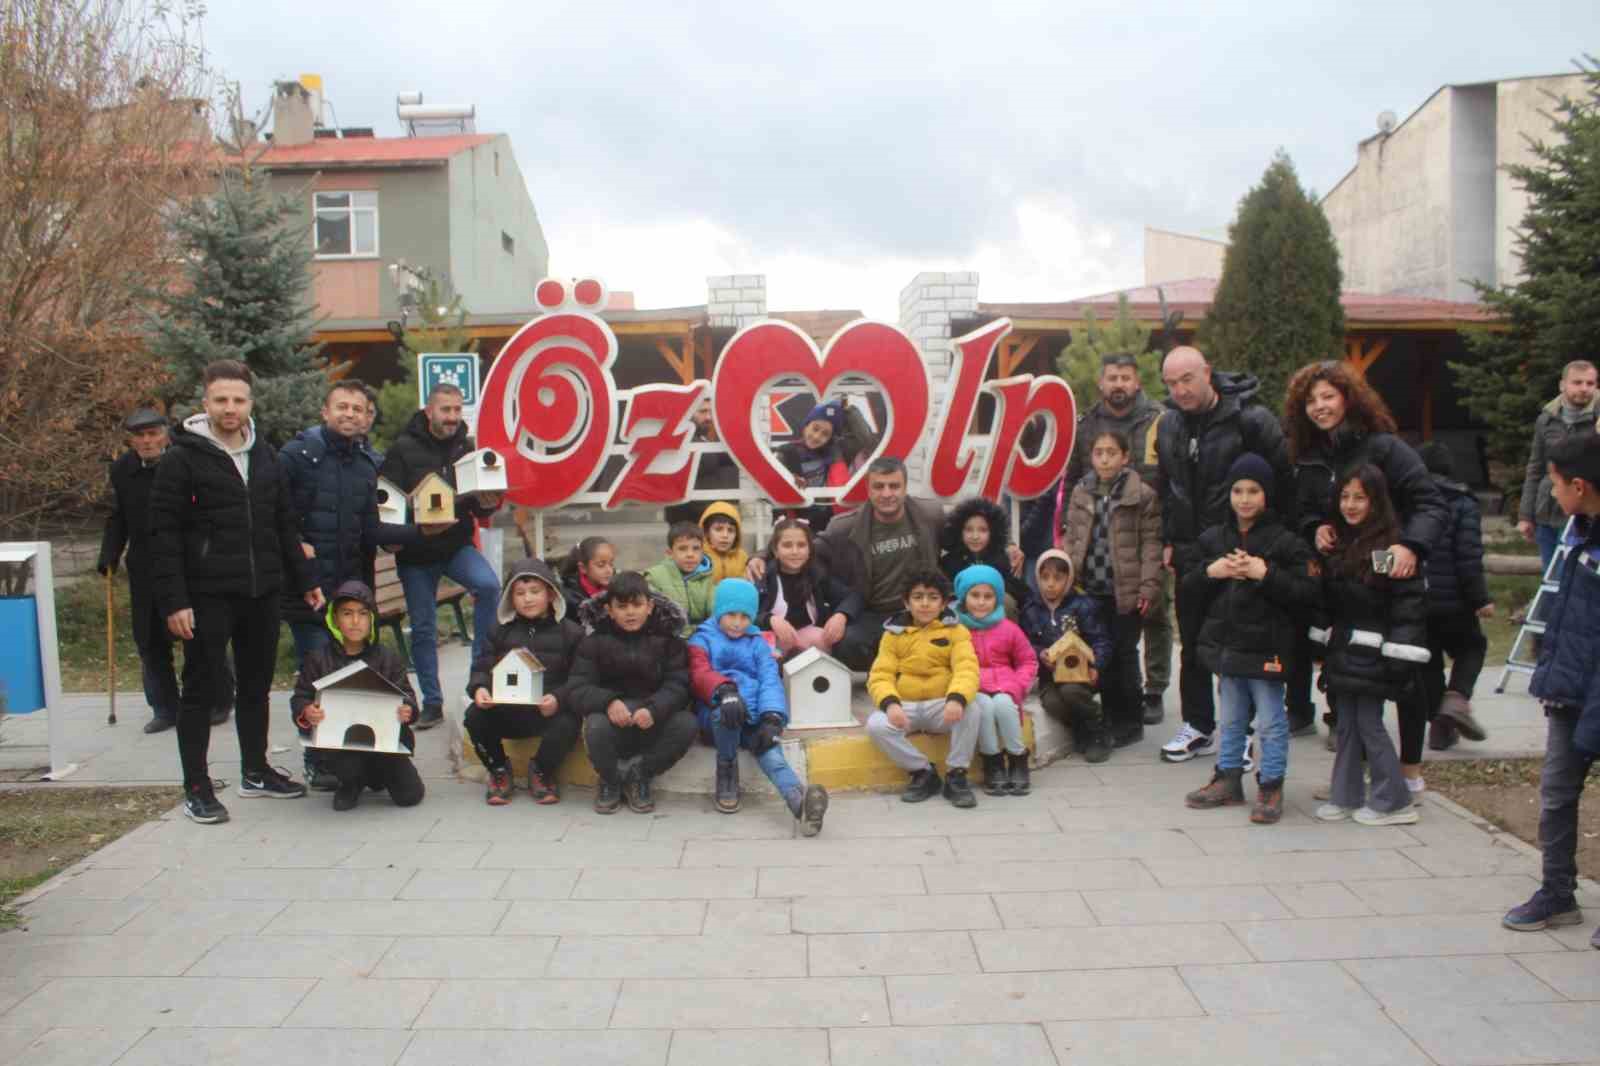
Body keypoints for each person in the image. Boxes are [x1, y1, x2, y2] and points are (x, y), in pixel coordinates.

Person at [148, 360, 322, 825]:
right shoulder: (182, 458)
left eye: (238, 400)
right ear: (205, 402)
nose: (230, 408)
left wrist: (305, 580)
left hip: (261, 590)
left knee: (256, 685)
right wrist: (174, 601)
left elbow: (282, 522)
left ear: (250, 403)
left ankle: (256, 770)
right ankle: (197, 787)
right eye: (221, 400)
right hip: (206, 594)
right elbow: (162, 535)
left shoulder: (264, 453)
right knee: (201, 690)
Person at [1285, 361, 1447, 778]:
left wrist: (1410, 546)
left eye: (1328, 396)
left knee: (1404, 672)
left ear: (1349, 398)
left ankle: (1410, 770)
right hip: (1342, 576)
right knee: (1343, 672)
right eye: (1311, 401)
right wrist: (1314, 527)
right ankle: (1351, 773)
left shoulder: (1385, 448)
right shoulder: (1309, 457)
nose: (1319, 407)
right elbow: (1304, 510)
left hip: (1391, 570)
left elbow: (1430, 503)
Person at [1156, 346, 1293, 763]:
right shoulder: (1169, 424)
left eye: (1187, 379)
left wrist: (1267, 542)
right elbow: (1166, 485)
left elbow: (1282, 482)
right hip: (1190, 551)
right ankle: (1198, 725)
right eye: (1171, 383)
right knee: (1193, 640)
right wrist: (1169, 538)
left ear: (1207, 373)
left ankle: (1242, 732)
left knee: (1241, 641)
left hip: (1241, 547)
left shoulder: (1250, 419)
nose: (1180, 390)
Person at [1180, 455, 1320, 824]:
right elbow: (1187, 584)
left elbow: (1307, 592)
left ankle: (1271, 784)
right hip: (1227, 647)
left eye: (1253, 491)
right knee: (1230, 720)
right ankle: (1227, 779)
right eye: (1238, 490)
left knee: (1271, 722)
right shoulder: (1214, 538)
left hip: (1267, 649)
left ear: (1266, 495)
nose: (1244, 499)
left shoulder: (1286, 542)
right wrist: (1211, 571)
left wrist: (1265, 573)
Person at [1502, 434, 1600, 947]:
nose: (1551, 493)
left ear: (1579, 486)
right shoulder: (1578, 533)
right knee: (1557, 793)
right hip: (1571, 689)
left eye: (1555, 484)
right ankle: (1557, 892)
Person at [377, 383, 505, 729]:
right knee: (423, 628)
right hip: (417, 554)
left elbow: (478, 504)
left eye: (457, 410)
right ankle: (432, 703)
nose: (452, 417)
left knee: (489, 585)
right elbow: (386, 503)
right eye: (445, 410)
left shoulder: (466, 448)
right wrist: (406, 530)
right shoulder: (403, 449)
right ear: (429, 411)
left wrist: (488, 502)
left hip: (456, 547)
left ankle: (478, 678)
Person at [1311, 466, 1427, 827]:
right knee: (1346, 722)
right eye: (1345, 497)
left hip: (1376, 652)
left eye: (1359, 497)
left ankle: (1394, 800)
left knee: (1368, 724)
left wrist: (1397, 656)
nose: (1350, 505)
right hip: (1344, 649)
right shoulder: (1340, 541)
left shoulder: (1393, 547)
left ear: (1376, 501)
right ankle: (1346, 794)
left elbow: (1407, 605)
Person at [748, 456, 943, 670]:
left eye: (894, 486)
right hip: (872, 611)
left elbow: (961, 542)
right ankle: (888, 671)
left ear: (905, 487)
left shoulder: (930, 514)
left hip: (921, 606)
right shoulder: (845, 527)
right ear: (868, 489)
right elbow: (805, 547)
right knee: (845, 644)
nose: (887, 493)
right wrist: (760, 556)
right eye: (879, 486)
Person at [1061, 352, 1172, 725]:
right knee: (1106, 622)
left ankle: (1154, 689)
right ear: (1101, 382)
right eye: (1113, 377)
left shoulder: (1159, 418)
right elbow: (1073, 477)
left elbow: (1174, 476)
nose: (1119, 384)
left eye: (1126, 377)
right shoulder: (1086, 424)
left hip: (1150, 526)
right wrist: (1067, 529)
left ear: (1137, 382)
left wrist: (1172, 536)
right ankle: (1109, 687)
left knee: (1153, 610)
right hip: (1100, 534)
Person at [99, 409, 225, 735]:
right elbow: (118, 516)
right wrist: (109, 553)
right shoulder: (123, 469)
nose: (146, 441)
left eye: (153, 434)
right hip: (145, 566)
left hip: (189, 566)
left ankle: (217, 699)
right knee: (150, 639)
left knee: (200, 635)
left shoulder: (186, 463)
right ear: (131, 440)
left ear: (166, 434)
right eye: (139, 436)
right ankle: (165, 708)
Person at [689, 578, 830, 833]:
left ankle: (800, 803)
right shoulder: (702, 639)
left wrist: (772, 716)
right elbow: (699, 673)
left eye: (745, 616)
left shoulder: (757, 642)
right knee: (726, 714)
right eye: (731, 614)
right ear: (719, 611)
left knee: (771, 753)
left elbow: (769, 679)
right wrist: (724, 691)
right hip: (716, 712)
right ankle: (727, 771)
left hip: (753, 714)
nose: (738, 622)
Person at [1062, 430, 1162, 749]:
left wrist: (1148, 587)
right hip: (1090, 587)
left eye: (1111, 452)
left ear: (1125, 457)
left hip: (1125, 589)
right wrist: (1067, 578)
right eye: (1098, 453)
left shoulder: (1141, 495)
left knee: (1124, 654)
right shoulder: (1081, 491)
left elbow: (1151, 546)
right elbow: (1073, 538)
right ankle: (1109, 716)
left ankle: (1130, 721)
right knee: (1100, 654)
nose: (1104, 459)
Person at [568, 572, 697, 814]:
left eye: (637, 605)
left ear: (649, 606)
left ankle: (640, 775)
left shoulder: (669, 641)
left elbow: (679, 684)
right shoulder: (594, 642)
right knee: (595, 725)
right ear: (609, 610)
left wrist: (654, 708)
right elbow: (577, 688)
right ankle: (610, 780)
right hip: (612, 722)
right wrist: (608, 702)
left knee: (687, 724)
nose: (630, 612)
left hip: (653, 720)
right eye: (622, 606)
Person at [290, 582, 425, 812]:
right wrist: (307, 711)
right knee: (348, 767)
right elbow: (300, 696)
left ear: (372, 619)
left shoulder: (388, 658)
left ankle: (376, 775)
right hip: (342, 746)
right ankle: (350, 783)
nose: (355, 621)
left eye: (363, 614)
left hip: (385, 743)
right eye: (347, 614)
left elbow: (407, 696)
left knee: (409, 796)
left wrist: (408, 710)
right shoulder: (318, 659)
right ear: (335, 619)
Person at [278, 380, 385, 667]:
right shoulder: (296, 456)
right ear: (325, 412)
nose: (350, 414)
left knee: (352, 675)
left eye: (357, 409)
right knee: (317, 674)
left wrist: (419, 533)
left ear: (366, 416)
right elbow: (276, 516)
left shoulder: (366, 465)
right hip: (308, 590)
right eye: (342, 407)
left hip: (351, 594)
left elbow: (370, 533)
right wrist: (300, 551)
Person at [465, 558, 585, 806]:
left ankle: (542, 770)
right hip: (506, 710)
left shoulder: (571, 632)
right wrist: (480, 688)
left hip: (546, 712)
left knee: (569, 722)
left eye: (535, 591)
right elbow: (481, 667)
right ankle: (498, 769)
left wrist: (559, 698)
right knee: (474, 716)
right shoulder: (499, 630)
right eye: (519, 593)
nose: (527, 599)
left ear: (550, 594)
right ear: (510, 599)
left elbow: (580, 677)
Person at [864, 566, 983, 808]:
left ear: (944, 603)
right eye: (917, 597)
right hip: (905, 708)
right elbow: (880, 675)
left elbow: (967, 668)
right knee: (875, 725)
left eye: (933, 597)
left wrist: (956, 698)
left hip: (942, 707)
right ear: (906, 602)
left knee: (973, 709)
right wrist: (890, 704)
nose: (925, 604)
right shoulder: (893, 634)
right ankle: (922, 772)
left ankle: (956, 775)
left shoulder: (956, 631)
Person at [1416, 442, 1493, 751]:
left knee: (1428, 661)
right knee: (1473, 646)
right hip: (1455, 603)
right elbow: (1468, 557)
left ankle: (1439, 726)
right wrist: (1480, 599)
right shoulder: (1463, 503)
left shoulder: (1407, 501)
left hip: (1417, 599)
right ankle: (1457, 699)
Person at [1020, 550, 1115, 762]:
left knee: (1071, 692)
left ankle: (1098, 731)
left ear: (1069, 579)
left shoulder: (1082, 606)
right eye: (1045, 578)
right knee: (1052, 702)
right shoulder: (1031, 609)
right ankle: (1081, 730)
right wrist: (1039, 653)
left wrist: (1096, 665)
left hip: (1080, 674)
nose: (1050, 584)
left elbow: (1101, 640)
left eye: (1058, 578)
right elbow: (1024, 644)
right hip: (1050, 675)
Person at [954, 565, 1038, 796]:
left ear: (998, 598)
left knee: (1003, 705)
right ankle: (993, 762)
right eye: (975, 595)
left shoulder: (1009, 629)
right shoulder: (956, 630)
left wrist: (1019, 684)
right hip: (974, 686)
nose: (981, 602)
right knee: (984, 707)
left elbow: (1028, 660)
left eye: (988, 596)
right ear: (964, 597)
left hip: (1006, 685)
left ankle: (1018, 758)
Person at [1517, 360, 1598, 571]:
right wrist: (1526, 515)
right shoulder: (1546, 420)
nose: (1584, 388)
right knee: (1551, 576)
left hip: (1582, 515)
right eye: (1577, 382)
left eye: (1590, 383)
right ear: (1562, 385)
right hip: (1547, 510)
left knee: (1577, 576)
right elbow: (1535, 468)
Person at [754, 516, 860, 657]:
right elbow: (745, 614)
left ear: (810, 549)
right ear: (775, 550)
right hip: (770, 646)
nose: (795, 551)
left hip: (808, 643)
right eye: (787, 545)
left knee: (828, 639)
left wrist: (841, 616)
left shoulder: (817, 574)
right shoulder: (763, 576)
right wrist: (769, 619)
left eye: (801, 545)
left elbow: (853, 596)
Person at [939, 497, 1029, 611]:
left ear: (993, 532)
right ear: (959, 531)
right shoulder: (950, 562)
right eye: (969, 530)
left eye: (983, 530)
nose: (975, 536)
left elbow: (1020, 592)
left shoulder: (1002, 559)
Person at [663, 396, 740, 527]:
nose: (709, 417)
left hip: (708, 513)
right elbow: (707, 461)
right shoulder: (680, 434)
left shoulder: (704, 437)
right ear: (689, 413)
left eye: (711, 412)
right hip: (687, 517)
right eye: (703, 412)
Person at [776, 401, 851, 531]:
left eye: (825, 434)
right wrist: (790, 478)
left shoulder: (832, 454)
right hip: (797, 522)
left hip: (826, 521)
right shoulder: (786, 451)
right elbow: (774, 483)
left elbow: (865, 438)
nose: (817, 436)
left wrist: (849, 410)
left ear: (830, 438)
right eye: (815, 429)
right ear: (806, 426)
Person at [644, 521, 715, 636]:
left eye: (696, 548)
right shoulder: (655, 577)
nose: (690, 554)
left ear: (702, 552)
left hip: (700, 636)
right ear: (670, 553)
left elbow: (714, 614)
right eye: (682, 549)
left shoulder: (706, 578)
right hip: (667, 636)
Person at [699, 501, 749, 587]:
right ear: (706, 532)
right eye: (718, 529)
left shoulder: (743, 557)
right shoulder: (698, 556)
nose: (725, 535)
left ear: (737, 534)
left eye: (731, 530)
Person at [559, 536, 615, 611]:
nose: (609, 570)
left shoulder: (615, 589)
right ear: (583, 568)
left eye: (611, 564)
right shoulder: (570, 599)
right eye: (601, 565)